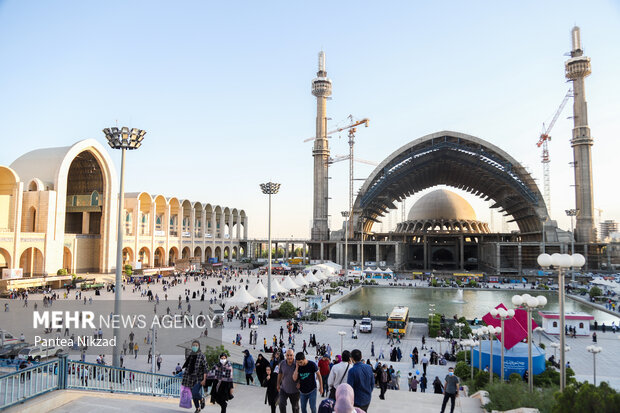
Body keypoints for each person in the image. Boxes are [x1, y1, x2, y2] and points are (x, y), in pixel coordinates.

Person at [182, 340, 207, 413]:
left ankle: (202, 399)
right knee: (193, 394)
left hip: (199, 378)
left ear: (199, 346)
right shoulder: (191, 355)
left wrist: (204, 379)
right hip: (190, 378)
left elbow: (205, 368)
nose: (194, 347)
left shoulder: (202, 356)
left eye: (196, 345)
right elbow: (187, 365)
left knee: (195, 392)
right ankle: (197, 408)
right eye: (193, 345)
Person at [278, 349, 300, 413]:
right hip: (284, 389)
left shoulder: (297, 363)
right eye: (287, 355)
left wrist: (299, 382)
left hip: (295, 391)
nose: (289, 357)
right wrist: (278, 384)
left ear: (293, 355)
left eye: (291, 355)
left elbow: (302, 375)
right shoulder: (282, 363)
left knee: (295, 408)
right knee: (281, 404)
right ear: (285, 355)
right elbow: (280, 374)